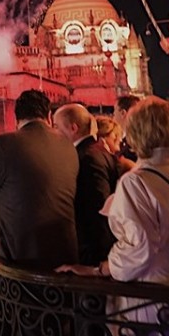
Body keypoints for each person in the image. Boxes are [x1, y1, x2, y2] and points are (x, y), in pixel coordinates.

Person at [57, 96, 169, 329]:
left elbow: (140, 248)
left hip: (152, 304)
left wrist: (102, 268)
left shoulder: (134, 182)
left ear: (136, 133)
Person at [0, 89, 79, 269]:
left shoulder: (1, 146)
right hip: (65, 258)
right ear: (48, 115)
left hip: (21, 264)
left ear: (16, 119)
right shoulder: (68, 145)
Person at [53, 103, 118, 266]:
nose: (54, 133)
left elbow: (97, 207)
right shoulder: (98, 151)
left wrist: (97, 257)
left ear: (73, 128)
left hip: (92, 252)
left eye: (56, 127)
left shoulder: (87, 158)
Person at [114, 95, 141, 162]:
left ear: (123, 113)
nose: (113, 114)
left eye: (115, 110)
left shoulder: (132, 143)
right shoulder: (139, 138)